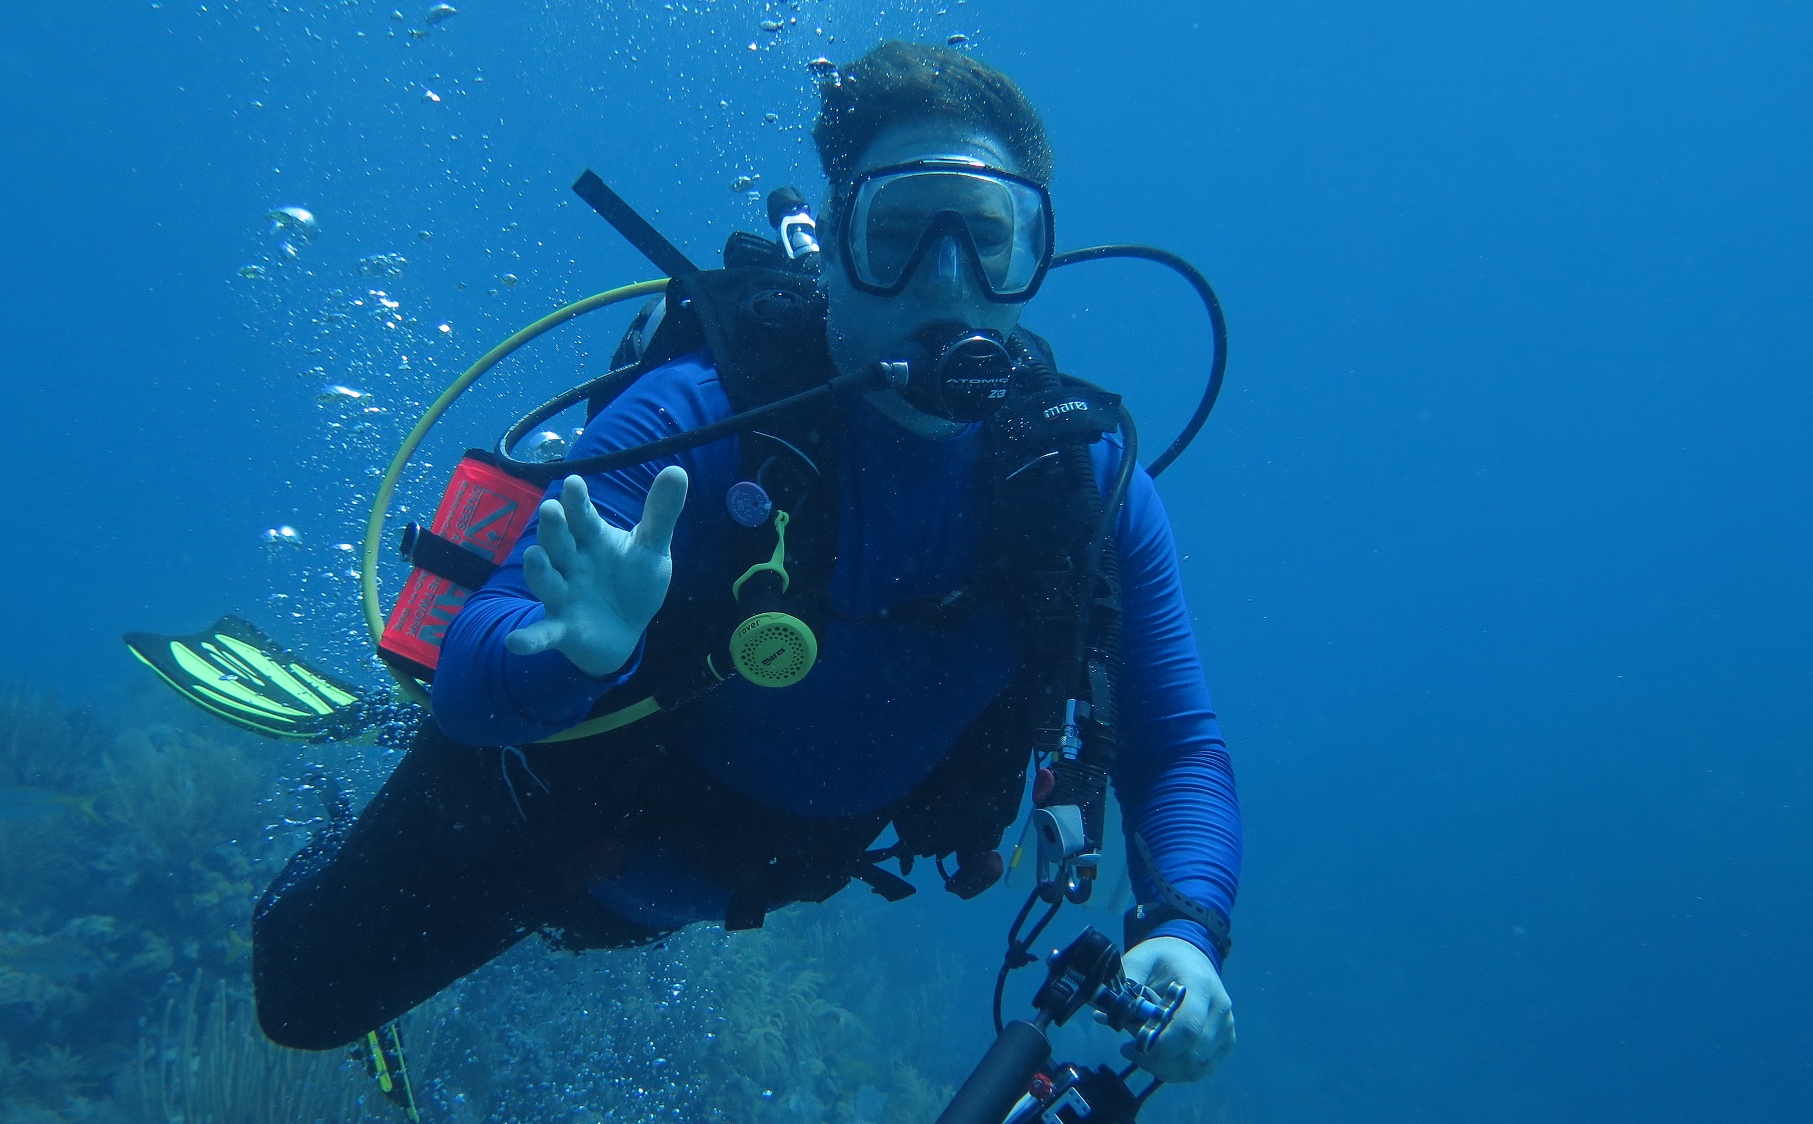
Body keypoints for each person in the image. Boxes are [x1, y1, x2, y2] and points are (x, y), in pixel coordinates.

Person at [252, 40, 1242, 1087]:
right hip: (567, 813)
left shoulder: (1084, 485)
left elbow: (1173, 742)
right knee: (301, 997)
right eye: (897, 236)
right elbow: (474, 668)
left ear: (1031, 264)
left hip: (740, 870)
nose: (945, 283)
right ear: (831, 256)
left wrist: (1184, 925)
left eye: (990, 243)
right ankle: (345, 769)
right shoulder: (703, 417)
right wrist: (565, 647)